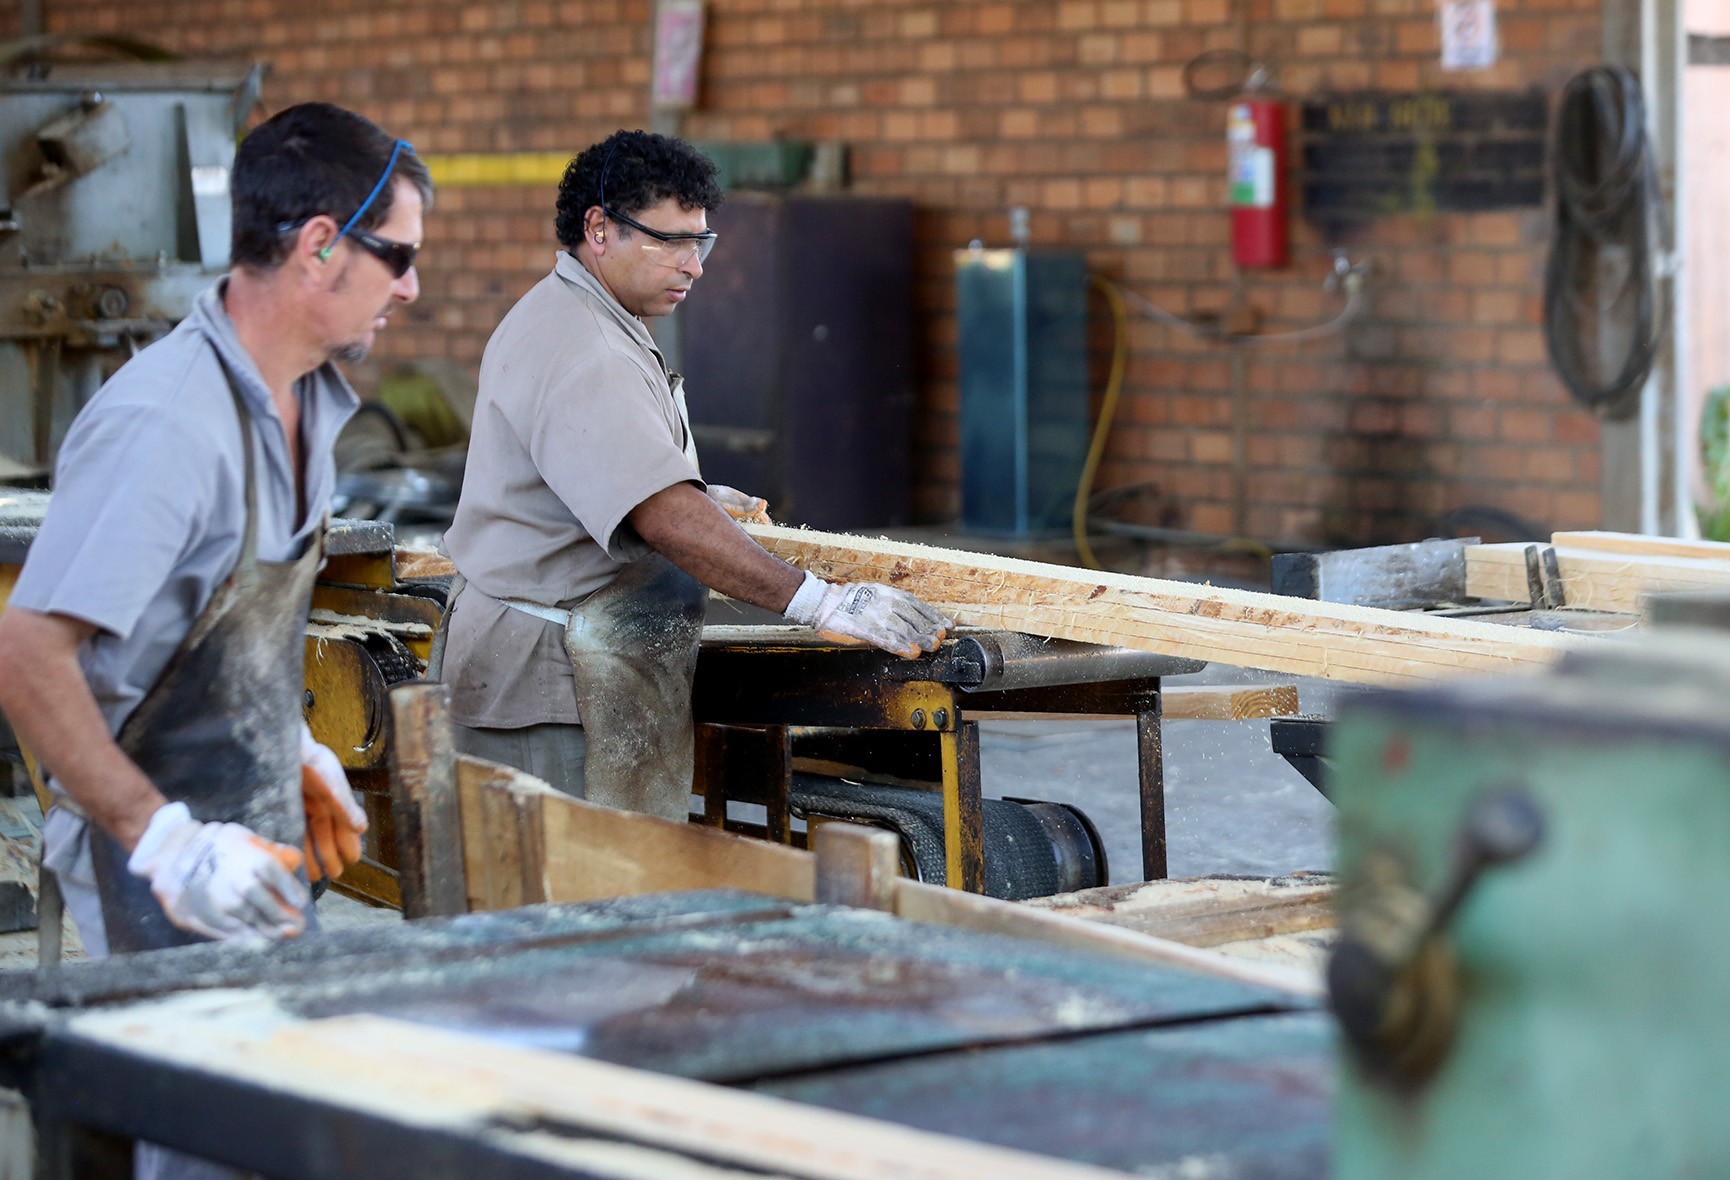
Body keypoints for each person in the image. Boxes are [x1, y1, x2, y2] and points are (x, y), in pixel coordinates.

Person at [0, 102, 431, 961]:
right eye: (400, 257)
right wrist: (165, 841)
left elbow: (219, 633)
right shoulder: (168, 425)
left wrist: (287, 744)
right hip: (158, 866)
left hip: (256, 846)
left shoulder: (304, 398)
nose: (412, 288)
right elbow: (26, 653)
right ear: (318, 246)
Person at [438, 129, 950, 819]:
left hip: (566, 661)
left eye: (701, 242)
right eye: (672, 241)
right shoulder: (586, 345)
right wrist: (820, 603)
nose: (695, 266)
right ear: (600, 229)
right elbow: (663, 519)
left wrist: (692, 493)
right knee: (572, 904)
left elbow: (606, 472)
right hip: (548, 684)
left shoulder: (586, 314)